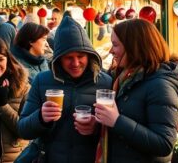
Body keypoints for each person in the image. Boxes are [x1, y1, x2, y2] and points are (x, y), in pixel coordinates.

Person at [17, 15, 112, 163]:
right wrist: (40, 117)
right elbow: (23, 129)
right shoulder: (42, 80)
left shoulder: (106, 83)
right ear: (59, 58)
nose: (75, 63)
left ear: (89, 55)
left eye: (80, 56)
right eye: (68, 57)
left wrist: (97, 128)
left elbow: (116, 130)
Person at [93, 20, 178, 162]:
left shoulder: (160, 85)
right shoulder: (122, 77)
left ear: (134, 47)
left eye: (115, 45)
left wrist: (117, 121)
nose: (111, 51)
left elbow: (164, 144)